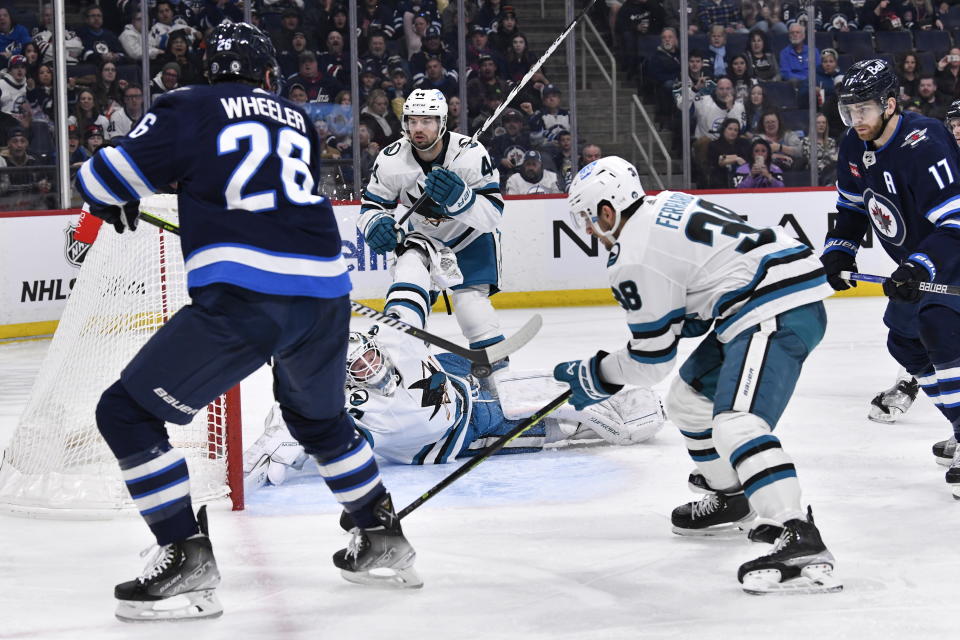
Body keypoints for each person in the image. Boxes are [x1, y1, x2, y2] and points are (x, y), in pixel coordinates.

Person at [74, 22, 420, 622]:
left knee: (125, 412)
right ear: (267, 76)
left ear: (208, 72)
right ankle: (382, 532)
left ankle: (184, 555)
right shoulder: (297, 119)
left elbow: (102, 179)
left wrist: (114, 195)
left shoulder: (188, 104)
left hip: (245, 298)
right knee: (319, 419)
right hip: (324, 295)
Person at [554, 155, 840, 595]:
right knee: (688, 399)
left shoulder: (633, 256)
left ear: (607, 210)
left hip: (772, 308)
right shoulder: (667, 201)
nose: (590, 229)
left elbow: (651, 360)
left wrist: (595, 375)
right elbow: (704, 275)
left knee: (736, 423)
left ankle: (796, 531)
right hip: (763, 297)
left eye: (588, 218)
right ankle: (733, 495)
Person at [244, 237, 665, 483]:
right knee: (552, 407)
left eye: (369, 357)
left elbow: (408, 284)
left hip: (448, 373)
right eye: (359, 370)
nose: (371, 367)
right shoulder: (345, 412)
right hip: (462, 430)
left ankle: (539, 388)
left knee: (493, 365)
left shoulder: (388, 336)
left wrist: (418, 249)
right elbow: (300, 442)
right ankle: (614, 418)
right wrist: (280, 444)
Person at [821, 59, 960, 495]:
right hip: (916, 263)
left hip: (949, 257)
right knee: (903, 341)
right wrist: (839, 250)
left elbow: (955, 221)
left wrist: (919, 266)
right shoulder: (852, 145)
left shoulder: (926, 142)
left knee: (938, 328)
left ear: (891, 104)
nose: (855, 120)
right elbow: (852, 207)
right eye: (848, 111)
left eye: (863, 110)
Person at [358, 89, 509, 393]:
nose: (418, 128)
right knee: (408, 287)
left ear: (442, 123)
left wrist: (461, 198)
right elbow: (372, 208)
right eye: (413, 120)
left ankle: (501, 385)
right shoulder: (390, 160)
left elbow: (493, 214)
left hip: (471, 240)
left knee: (473, 312)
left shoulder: (470, 154)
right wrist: (377, 225)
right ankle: (401, 362)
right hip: (425, 241)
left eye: (427, 120)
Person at [707, 117, 751, 187]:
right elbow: (719, 161)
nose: (733, 132)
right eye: (730, 129)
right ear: (724, 129)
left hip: (741, 177)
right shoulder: (714, 145)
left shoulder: (744, 143)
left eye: (736, 130)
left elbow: (746, 160)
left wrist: (729, 159)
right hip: (720, 178)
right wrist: (736, 158)